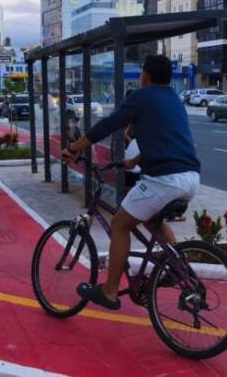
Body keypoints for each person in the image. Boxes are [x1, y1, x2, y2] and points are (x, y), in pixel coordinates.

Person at [62, 55, 201, 311]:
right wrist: (135, 160)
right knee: (151, 221)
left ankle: (110, 291)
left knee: (119, 224)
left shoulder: (141, 97)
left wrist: (73, 148)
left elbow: (108, 125)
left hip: (165, 180)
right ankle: (180, 271)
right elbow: (167, 140)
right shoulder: (174, 99)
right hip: (190, 179)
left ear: (145, 76)